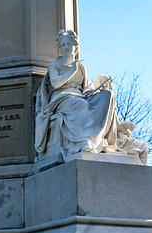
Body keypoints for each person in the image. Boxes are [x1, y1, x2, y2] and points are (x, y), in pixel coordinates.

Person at [35, 30, 119, 159]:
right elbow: (56, 84)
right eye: (63, 44)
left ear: (75, 46)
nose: (66, 47)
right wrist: (72, 70)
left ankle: (98, 139)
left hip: (80, 96)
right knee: (79, 104)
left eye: (69, 43)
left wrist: (98, 90)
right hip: (61, 97)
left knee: (107, 96)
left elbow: (87, 87)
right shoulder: (55, 64)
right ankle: (82, 141)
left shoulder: (81, 67)